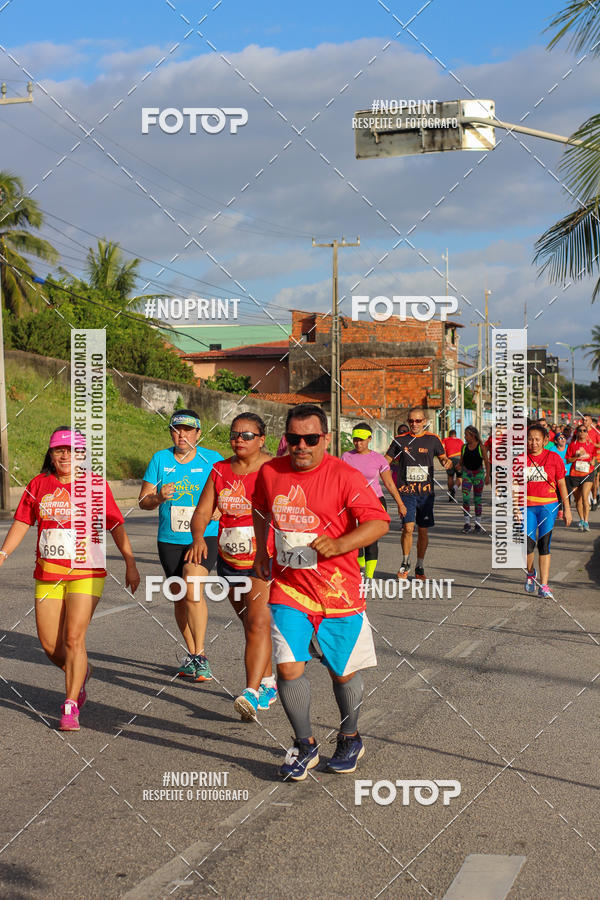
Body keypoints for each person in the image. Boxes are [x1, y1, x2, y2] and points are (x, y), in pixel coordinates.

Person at [252, 403, 390, 781]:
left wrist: (341, 543)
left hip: (338, 592)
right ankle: (304, 744)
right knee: (288, 666)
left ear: (325, 439)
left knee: (342, 672)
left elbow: (378, 522)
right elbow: (261, 508)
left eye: (310, 439)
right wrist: (262, 551)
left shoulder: (344, 475)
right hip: (289, 587)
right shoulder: (270, 472)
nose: (301, 446)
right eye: (294, 439)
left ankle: (349, 737)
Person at [0, 427, 140, 731]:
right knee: (51, 645)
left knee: (74, 638)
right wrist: (3, 553)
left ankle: (70, 703)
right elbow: (23, 522)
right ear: (51, 454)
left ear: (82, 455)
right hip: (48, 573)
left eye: (72, 451)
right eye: (59, 450)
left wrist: (130, 562)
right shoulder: (39, 484)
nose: (65, 456)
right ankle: (81, 671)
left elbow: (115, 525)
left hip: (86, 574)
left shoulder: (95, 486)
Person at [187, 413, 277, 720]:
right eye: (234, 435)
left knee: (257, 624)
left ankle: (250, 692)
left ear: (261, 440)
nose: (239, 440)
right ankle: (268, 682)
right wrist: (199, 536)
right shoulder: (220, 469)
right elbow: (202, 511)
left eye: (247, 435)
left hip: (263, 560)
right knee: (250, 625)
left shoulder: (273, 469)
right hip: (229, 561)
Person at [139, 410, 222, 680]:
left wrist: (222, 508)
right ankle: (193, 654)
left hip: (205, 535)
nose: (182, 435)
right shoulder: (160, 459)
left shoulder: (213, 460)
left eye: (188, 430)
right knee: (179, 597)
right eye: (177, 430)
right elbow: (143, 501)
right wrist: (158, 497)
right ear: (171, 432)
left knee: (192, 586)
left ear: (198, 433)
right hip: (170, 538)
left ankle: (200, 655)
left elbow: (233, 492)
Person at [384, 407, 452, 581]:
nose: (414, 424)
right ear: (408, 422)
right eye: (411, 421)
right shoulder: (400, 440)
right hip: (406, 492)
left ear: (425, 421)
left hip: (426, 493)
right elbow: (385, 461)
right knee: (408, 528)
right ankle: (405, 562)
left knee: (423, 530)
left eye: (418, 421)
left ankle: (420, 565)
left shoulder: (433, 439)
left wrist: (446, 462)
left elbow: (443, 457)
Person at [341, 422, 406, 578]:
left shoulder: (378, 459)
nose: (358, 443)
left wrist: (400, 503)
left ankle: (369, 576)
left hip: (374, 502)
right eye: (355, 439)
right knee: (355, 538)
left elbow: (389, 483)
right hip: (352, 502)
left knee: (370, 539)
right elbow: (339, 481)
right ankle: (361, 566)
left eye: (362, 439)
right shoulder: (346, 457)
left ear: (369, 439)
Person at [525, 423, 571, 598]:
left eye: (537, 439)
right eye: (530, 439)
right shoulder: (520, 459)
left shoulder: (554, 458)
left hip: (548, 506)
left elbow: (561, 484)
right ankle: (530, 573)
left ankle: (544, 585)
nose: (533, 443)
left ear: (545, 440)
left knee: (544, 544)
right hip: (527, 506)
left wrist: (566, 508)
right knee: (527, 544)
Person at [458, 425, 491, 534]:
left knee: (477, 500)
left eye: (466, 435)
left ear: (473, 435)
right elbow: (461, 462)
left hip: (478, 475)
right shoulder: (464, 447)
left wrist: (487, 476)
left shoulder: (481, 447)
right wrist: (457, 466)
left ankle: (478, 523)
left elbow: (486, 462)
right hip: (467, 474)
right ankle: (467, 523)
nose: (465, 437)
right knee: (465, 499)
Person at [566, 423, 595, 531]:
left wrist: (593, 461)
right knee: (578, 500)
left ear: (587, 433)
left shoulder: (590, 445)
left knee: (584, 496)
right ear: (577, 433)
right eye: (580, 430)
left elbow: (594, 458)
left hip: (588, 473)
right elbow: (568, 460)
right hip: (575, 474)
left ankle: (586, 522)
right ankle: (581, 520)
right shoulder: (572, 445)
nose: (582, 432)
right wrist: (576, 457)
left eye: (584, 430)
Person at [582, 414, 600, 511]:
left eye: (586, 420)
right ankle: (587, 499)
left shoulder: (595, 432)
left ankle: (595, 499)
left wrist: (593, 444)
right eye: (583, 420)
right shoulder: (580, 431)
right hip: (582, 460)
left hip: (594, 459)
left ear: (590, 422)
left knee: (594, 481)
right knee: (584, 480)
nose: (584, 422)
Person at [442, 429, 464, 501]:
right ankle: (454, 489)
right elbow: (464, 451)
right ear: (455, 435)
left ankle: (451, 495)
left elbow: (442, 449)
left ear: (449, 434)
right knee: (460, 477)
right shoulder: (460, 441)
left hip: (450, 459)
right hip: (459, 459)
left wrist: (444, 460)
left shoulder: (445, 440)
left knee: (450, 476)